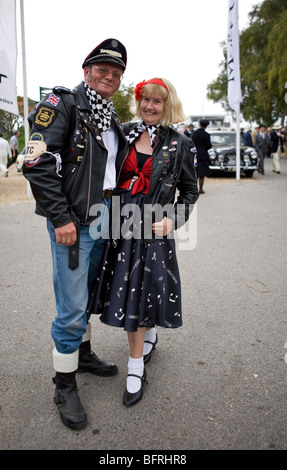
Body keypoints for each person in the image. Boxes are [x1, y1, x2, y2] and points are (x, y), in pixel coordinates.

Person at [22, 38, 129, 430]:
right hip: (74, 223)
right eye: (103, 70)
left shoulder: (111, 116)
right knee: (70, 309)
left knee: (85, 297)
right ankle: (63, 383)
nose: (109, 77)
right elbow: (35, 163)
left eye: (116, 73)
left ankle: (81, 355)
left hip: (102, 220)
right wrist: (60, 217)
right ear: (87, 72)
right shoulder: (62, 103)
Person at [88, 78, 199, 406]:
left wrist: (174, 219)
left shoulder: (181, 143)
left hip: (153, 224)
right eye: (145, 100)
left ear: (168, 105)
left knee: (143, 288)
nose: (149, 106)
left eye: (157, 102)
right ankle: (144, 340)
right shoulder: (125, 132)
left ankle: (135, 367)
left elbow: (191, 190)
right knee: (127, 289)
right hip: (118, 219)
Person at [191, 119, 212, 194]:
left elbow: (190, 143)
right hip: (203, 156)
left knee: (194, 173)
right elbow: (209, 146)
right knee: (202, 174)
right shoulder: (206, 135)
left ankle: (194, 189)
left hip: (194, 155)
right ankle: (201, 189)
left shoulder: (194, 133)